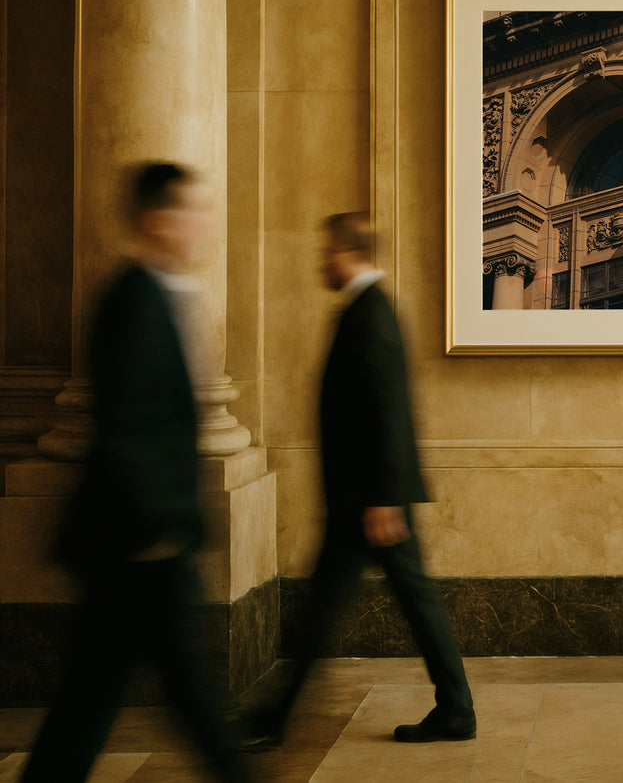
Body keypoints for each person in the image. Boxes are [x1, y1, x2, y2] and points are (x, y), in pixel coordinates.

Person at [23, 163, 250, 783]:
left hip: (133, 539)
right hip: (141, 540)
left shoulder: (157, 296)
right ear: (159, 219)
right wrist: (155, 528)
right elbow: (128, 425)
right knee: (184, 695)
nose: (203, 224)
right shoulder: (133, 301)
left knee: (93, 694)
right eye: (192, 211)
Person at [242, 212, 474, 750]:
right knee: (338, 606)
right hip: (363, 499)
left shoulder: (371, 313)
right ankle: (277, 718)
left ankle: (455, 709)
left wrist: (385, 499)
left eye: (327, 251)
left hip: (370, 502)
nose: (320, 261)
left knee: (384, 603)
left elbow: (390, 408)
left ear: (349, 252)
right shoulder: (365, 309)